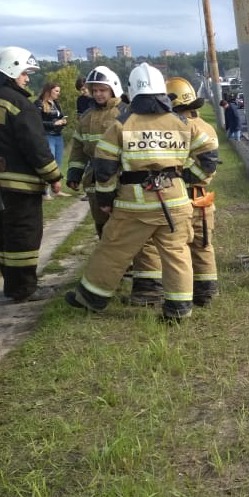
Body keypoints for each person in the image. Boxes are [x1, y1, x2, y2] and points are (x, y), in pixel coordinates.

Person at [65, 63, 219, 321]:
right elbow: (210, 156)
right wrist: (189, 177)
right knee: (177, 253)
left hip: (133, 206)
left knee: (112, 249)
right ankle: (179, 310)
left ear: (131, 91)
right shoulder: (182, 122)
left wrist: (105, 198)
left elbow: (104, 167)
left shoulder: (122, 124)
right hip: (176, 202)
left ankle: (91, 297)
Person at [0, 46, 63, 302]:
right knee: (23, 234)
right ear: (12, 69)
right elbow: (35, 146)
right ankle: (23, 289)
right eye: (25, 73)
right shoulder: (19, 104)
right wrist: (53, 176)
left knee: (1, 231)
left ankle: (11, 283)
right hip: (20, 186)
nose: (27, 79)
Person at [165, 76, 221, 306]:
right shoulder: (204, 125)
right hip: (202, 198)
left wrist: (178, 172)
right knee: (203, 245)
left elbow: (202, 167)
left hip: (185, 195)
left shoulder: (183, 127)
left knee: (179, 247)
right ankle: (206, 293)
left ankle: (188, 293)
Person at [66, 66, 125, 236]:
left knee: (123, 226)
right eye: (95, 90)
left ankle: (129, 263)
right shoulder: (86, 116)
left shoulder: (125, 112)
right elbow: (78, 147)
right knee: (101, 223)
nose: (98, 94)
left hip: (121, 177)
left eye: (103, 90)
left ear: (113, 88)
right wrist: (74, 173)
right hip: (94, 178)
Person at [35, 82, 69, 195]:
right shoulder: (39, 103)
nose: (58, 94)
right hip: (47, 136)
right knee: (48, 163)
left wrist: (63, 122)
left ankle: (56, 190)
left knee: (58, 163)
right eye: (56, 91)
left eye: (59, 91)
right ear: (49, 91)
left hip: (58, 137)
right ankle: (46, 192)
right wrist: (54, 124)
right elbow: (37, 122)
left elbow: (60, 117)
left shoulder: (56, 103)